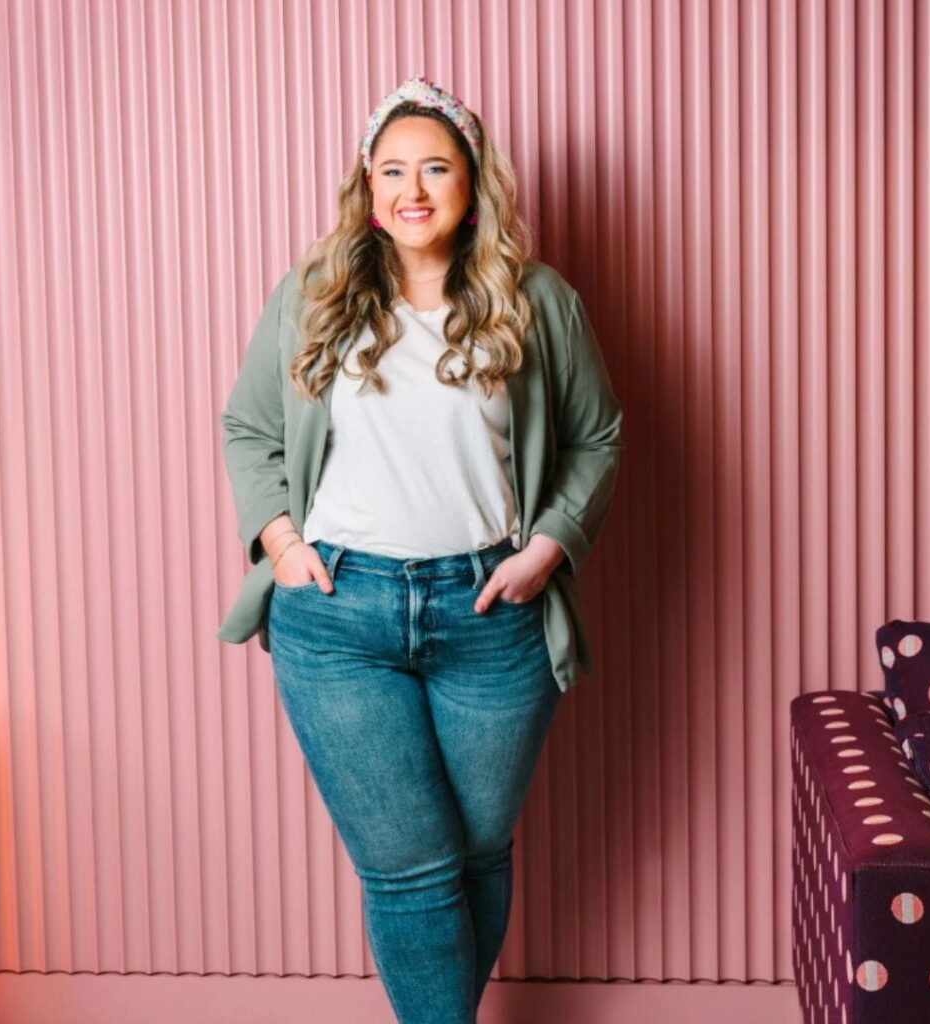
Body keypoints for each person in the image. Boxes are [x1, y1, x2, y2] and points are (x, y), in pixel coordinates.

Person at [217, 73, 624, 1024]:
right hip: (340, 616)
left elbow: (597, 436)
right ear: (366, 185)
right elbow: (249, 428)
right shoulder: (312, 297)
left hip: (494, 613)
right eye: (392, 168)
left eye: (435, 167)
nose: (413, 188)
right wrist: (280, 541)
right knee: (410, 869)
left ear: (473, 185)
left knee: (478, 854)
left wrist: (549, 548)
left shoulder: (536, 299)